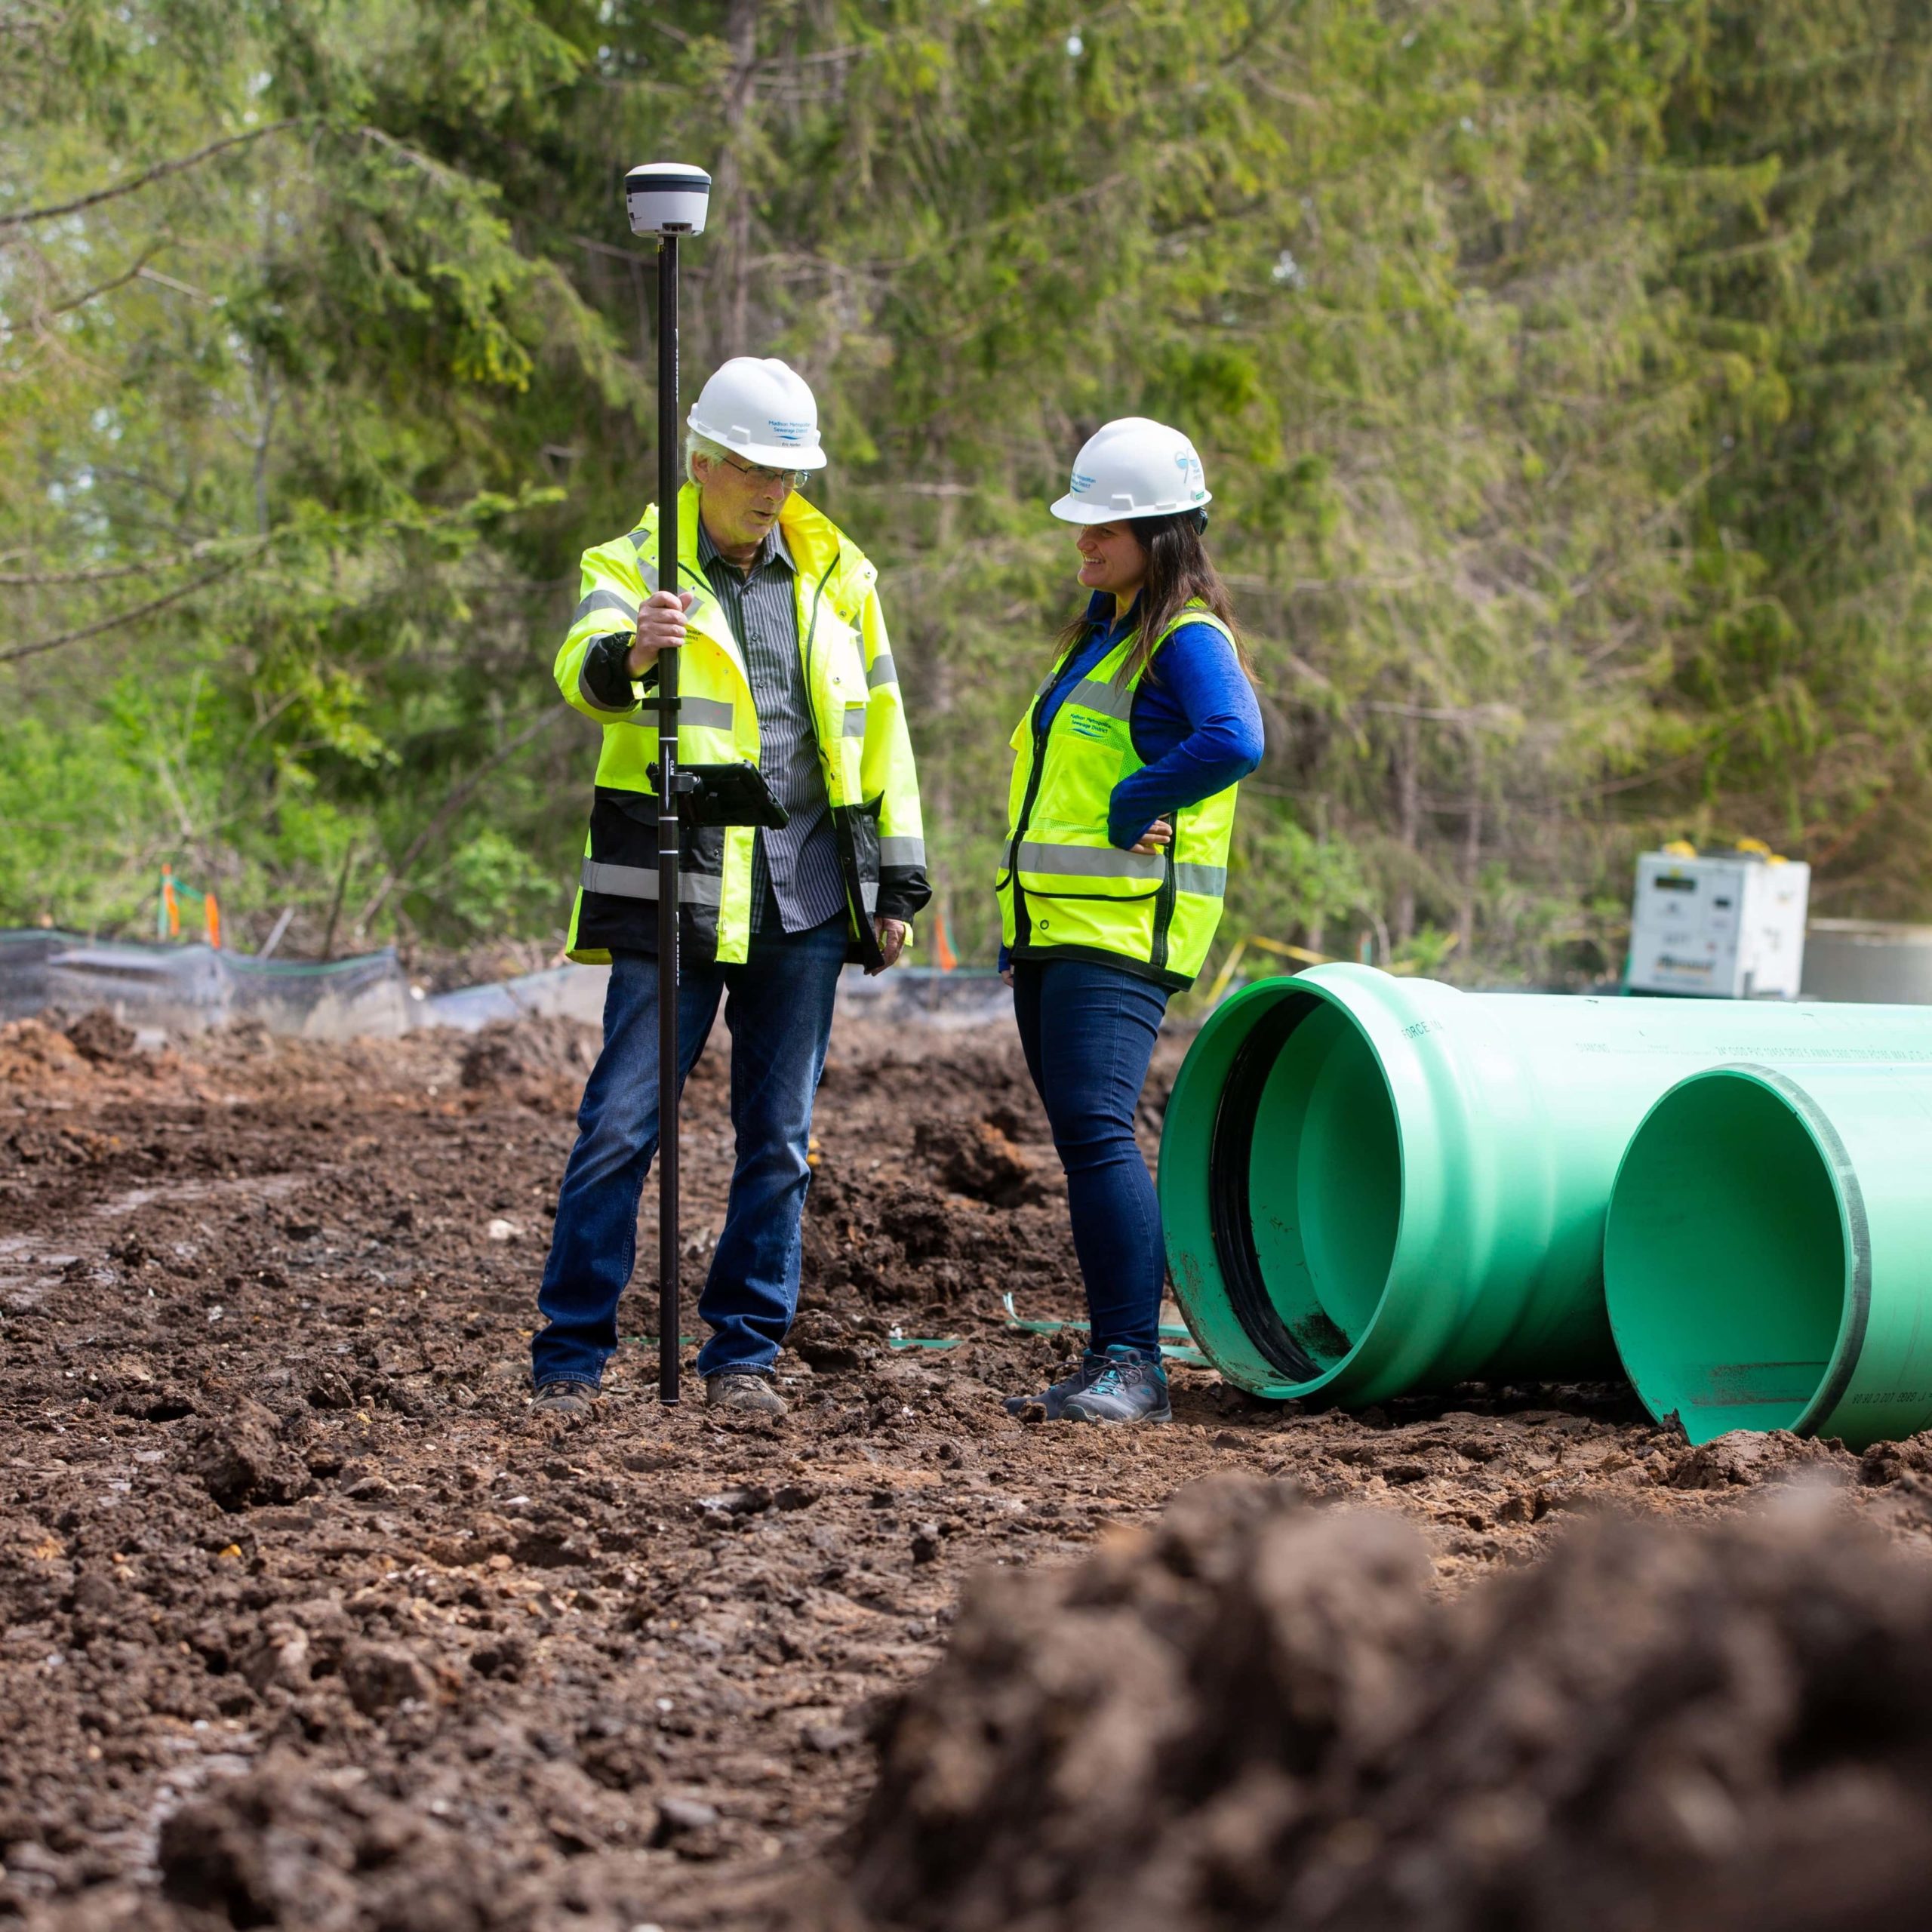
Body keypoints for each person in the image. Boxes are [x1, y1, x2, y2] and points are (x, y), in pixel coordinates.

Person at [531, 356, 930, 1419]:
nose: (775, 490)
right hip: (682, 888)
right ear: (702, 460)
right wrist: (633, 653)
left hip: (803, 894)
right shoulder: (634, 562)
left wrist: (898, 880)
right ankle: (570, 1358)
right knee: (621, 1123)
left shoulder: (842, 575)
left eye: (790, 472)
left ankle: (742, 1355)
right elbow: (582, 671)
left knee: (782, 1140)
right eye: (756, 468)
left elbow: (882, 727)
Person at [996, 417, 1263, 1426]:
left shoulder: (1185, 635)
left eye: (1103, 528)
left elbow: (1235, 737)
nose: (1083, 542)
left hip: (1115, 937)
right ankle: (1111, 1354)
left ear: (1160, 533)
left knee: (1103, 1137)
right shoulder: (1109, 632)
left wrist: (1134, 799)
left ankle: (1134, 1368)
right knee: (1085, 1140)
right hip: (1058, 929)